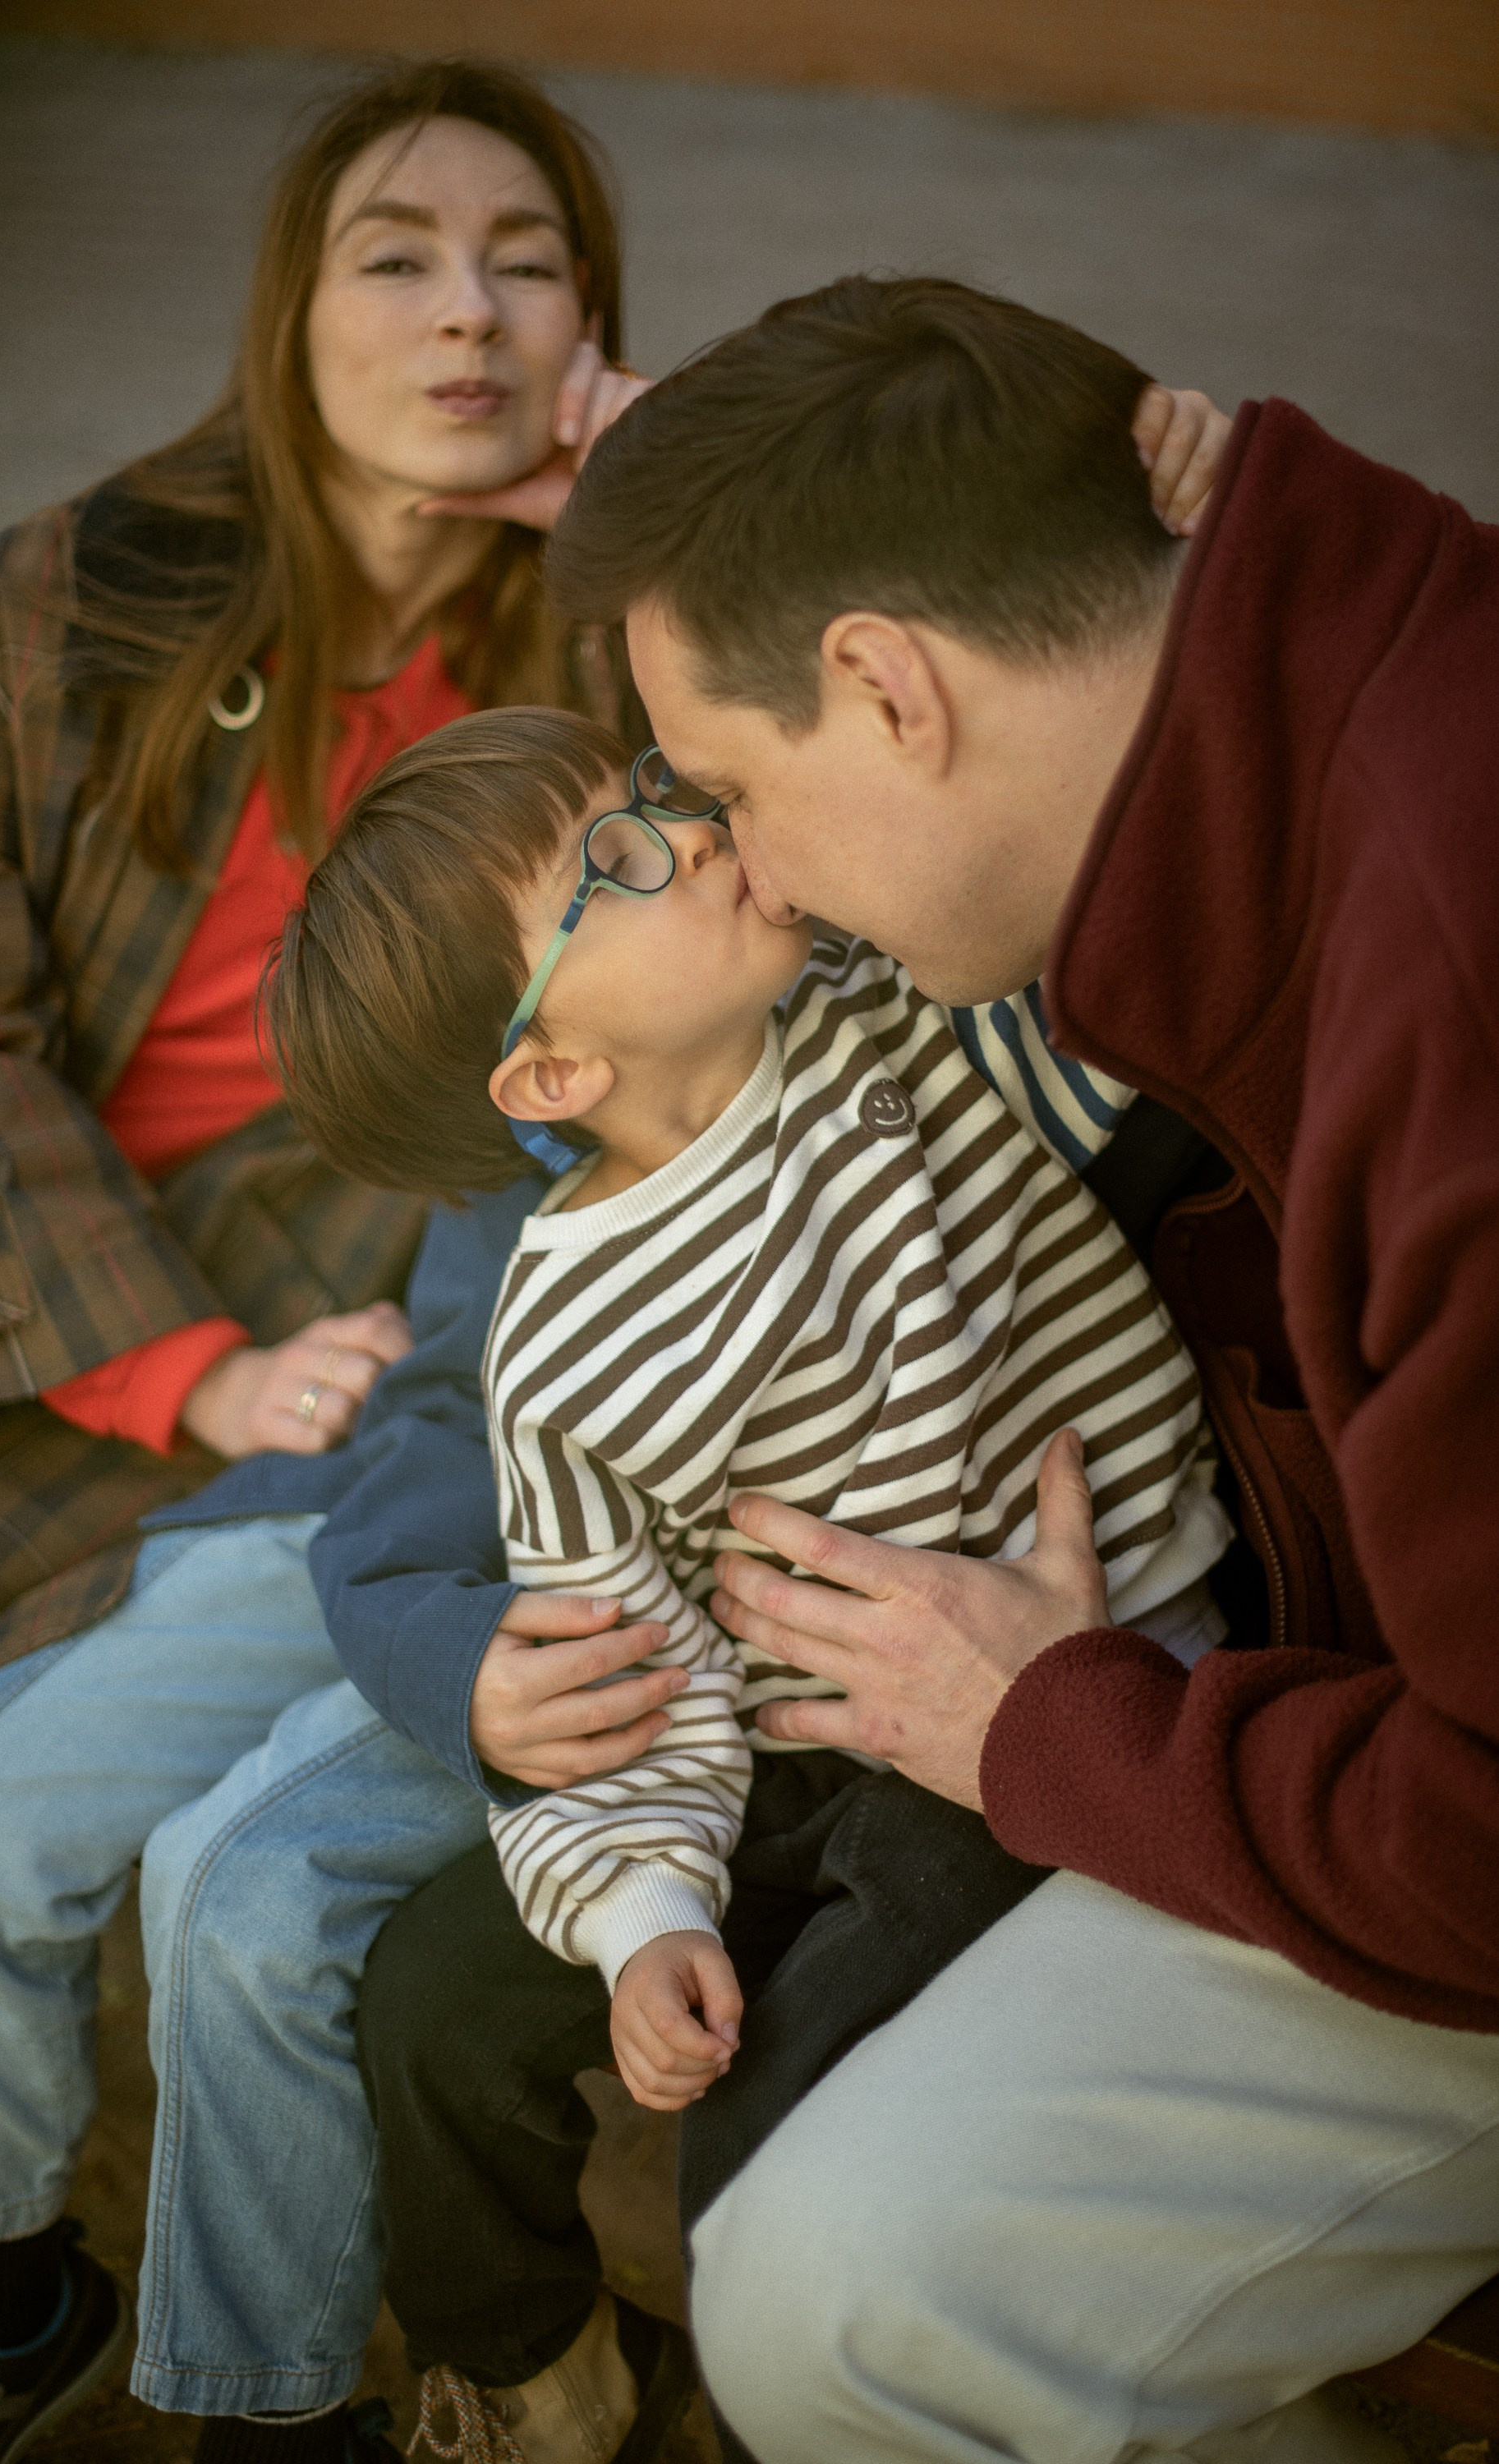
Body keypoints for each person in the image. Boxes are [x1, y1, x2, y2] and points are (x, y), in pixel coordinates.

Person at [0, 160, 1228, 2464]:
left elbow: (1026, 809)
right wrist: (623, 1888)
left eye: (532, 266)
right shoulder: (557, 1284)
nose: (695, 830)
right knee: (267, 1925)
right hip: (698, 1686)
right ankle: (429, 2371)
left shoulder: (858, 959)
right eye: (394, 256)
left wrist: (1153, 565)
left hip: (1046, 1667)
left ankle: (741, 2323)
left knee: (672, 2091)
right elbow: (548, 1542)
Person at [471, 272, 1499, 2463]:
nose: (755, 862)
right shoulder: (1305, 636)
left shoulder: (1450, 1001)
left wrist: (1062, 1729)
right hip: (1363, 1718)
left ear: (883, 684)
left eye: (737, 782)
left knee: (844, 2304)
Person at [0, 56, 651, 2464]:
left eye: (531, 263)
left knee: (81, 1749)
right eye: (396, 254)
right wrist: (174, 1356)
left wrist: (663, 482)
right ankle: (4, 2276)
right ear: (284, 314)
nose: (467, 316)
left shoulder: (612, 639)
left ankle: (150, 2335)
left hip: (368, 1298)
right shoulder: (74, 588)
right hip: (39, 1258)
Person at [264, 699, 1235, 2462]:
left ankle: (778, 2380)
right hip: (801, 1737)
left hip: (1061, 1687)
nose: (691, 834)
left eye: (656, 797)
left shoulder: (892, 1011)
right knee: (434, 2002)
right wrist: (647, 1920)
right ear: (552, 1075)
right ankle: (545, 2385)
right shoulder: (561, 1346)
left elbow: (1123, 1014)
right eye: (618, 864)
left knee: (769, 2125)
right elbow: (639, 1662)